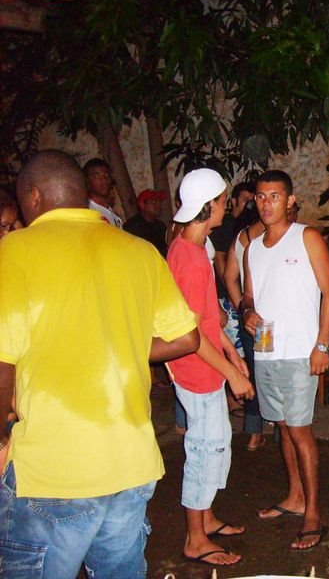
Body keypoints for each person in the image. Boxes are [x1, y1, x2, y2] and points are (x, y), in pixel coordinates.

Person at [0, 150, 200, 578]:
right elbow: (186, 337)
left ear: (33, 196)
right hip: (130, 463)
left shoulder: (13, 251)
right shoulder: (139, 250)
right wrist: (120, 341)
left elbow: (1, 361)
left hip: (54, 469)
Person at [240, 170, 329, 550]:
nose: (266, 204)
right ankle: (295, 497)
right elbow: (249, 296)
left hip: (300, 352)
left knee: (300, 431)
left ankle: (313, 512)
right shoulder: (252, 248)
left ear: (290, 200)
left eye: (275, 196)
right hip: (266, 350)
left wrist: (322, 345)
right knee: (281, 426)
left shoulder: (307, 237)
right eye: (261, 197)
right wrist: (247, 311)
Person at [167, 168, 255, 567]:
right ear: (208, 207)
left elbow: (205, 318)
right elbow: (189, 333)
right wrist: (232, 372)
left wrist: (232, 355)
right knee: (204, 450)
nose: (227, 205)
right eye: (222, 200)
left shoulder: (195, 247)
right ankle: (195, 538)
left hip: (207, 366)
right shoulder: (188, 257)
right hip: (196, 369)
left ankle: (206, 518)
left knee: (216, 442)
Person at [224, 198, 267, 451]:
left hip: (249, 318)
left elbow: (229, 277)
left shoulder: (241, 238)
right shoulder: (273, 236)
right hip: (271, 319)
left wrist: (243, 307)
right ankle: (282, 430)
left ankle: (254, 432)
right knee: (274, 372)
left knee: (253, 370)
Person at [124, 189, 169, 257]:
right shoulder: (132, 226)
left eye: (159, 201)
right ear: (142, 205)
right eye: (154, 201)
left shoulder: (161, 226)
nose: (158, 205)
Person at [83, 158, 123, 227]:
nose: (104, 179)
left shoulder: (113, 215)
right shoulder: (88, 212)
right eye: (97, 176)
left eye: (106, 175)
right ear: (87, 181)